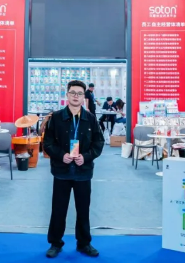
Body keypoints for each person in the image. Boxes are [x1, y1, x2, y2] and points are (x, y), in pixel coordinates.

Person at [44, 80, 105, 258]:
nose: (76, 96)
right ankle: (55, 243)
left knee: (83, 210)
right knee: (58, 209)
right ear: (67, 95)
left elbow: (98, 142)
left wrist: (86, 156)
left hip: (82, 171)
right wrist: (60, 155)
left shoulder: (91, 118)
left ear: (84, 96)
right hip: (61, 171)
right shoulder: (56, 117)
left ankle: (84, 243)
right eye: (73, 93)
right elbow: (47, 143)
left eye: (79, 93)